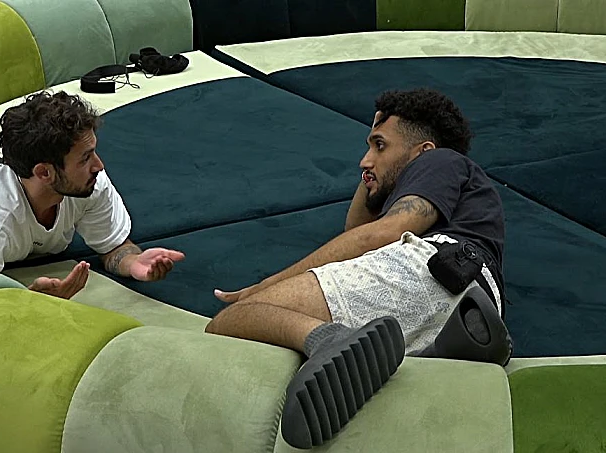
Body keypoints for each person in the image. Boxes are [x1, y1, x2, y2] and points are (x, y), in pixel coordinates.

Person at [205, 88, 510, 449]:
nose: (365, 161)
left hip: (429, 266)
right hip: (470, 295)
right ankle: (451, 341)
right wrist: (375, 172)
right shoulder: (462, 191)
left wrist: (265, 286)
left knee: (232, 320)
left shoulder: (441, 161)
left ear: (423, 151)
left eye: (379, 145)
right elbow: (357, 231)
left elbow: (377, 235)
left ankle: (329, 339)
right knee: (388, 374)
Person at [0, 73, 185, 299]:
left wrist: (133, 262)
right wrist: (31, 301)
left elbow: (114, 246)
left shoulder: (86, 183)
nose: (99, 166)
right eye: (85, 158)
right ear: (45, 172)